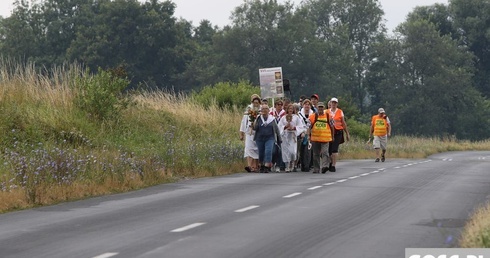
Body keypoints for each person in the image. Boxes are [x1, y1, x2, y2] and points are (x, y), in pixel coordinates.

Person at [278, 104, 306, 172]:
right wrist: (285, 127)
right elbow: (279, 126)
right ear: (287, 109)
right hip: (285, 136)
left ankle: (292, 162)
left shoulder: (296, 117)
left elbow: (301, 126)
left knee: (292, 152)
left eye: (291, 109)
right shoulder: (283, 117)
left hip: (292, 136)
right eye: (289, 109)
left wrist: (294, 128)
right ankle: (287, 166)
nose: (290, 110)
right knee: (286, 152)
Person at [253, 104, 281, 173]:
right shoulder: (258, 118)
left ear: (269, 110)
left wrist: (279, 138)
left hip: (270, 138)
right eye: (263, 109)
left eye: (266, 109)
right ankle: (261, 165)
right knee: (261, 153)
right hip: (260, 138)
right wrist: (253, 122)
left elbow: (276, 129)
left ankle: (267, 165)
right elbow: (255, 128)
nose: (264, 110)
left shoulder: (272, 119)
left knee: (268, 151)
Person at [309, 102, 334, 174]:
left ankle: (324, 167)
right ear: (317, 108)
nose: (320, 108)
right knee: (315, 154)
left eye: (321, 107)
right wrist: (308, 136)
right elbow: (308, 126)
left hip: (325, 138)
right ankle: (316, 169)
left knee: (325, 152)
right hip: (315, 138)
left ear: (324, 108)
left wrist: (332, 136)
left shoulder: (328, 116)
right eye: (319, 107)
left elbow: (332, 126)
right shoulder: (312, 116)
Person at [328, 97, 350, 172]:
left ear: (337, 104)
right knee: (329, 149)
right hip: (329, 133)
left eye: (335, 103)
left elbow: (343, 123)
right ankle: (330, 162)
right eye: (332, 103)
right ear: (330, 103)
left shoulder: (340, 112)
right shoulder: (327, 111)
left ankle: (333, 165)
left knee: (334, 148)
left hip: (338, 132)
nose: (333, 104)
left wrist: (347, 133)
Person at [240, 94, 261, 172]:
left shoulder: (261, 111)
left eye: (257, 102)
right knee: (248, 149)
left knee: (257, 150)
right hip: (249, 133)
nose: (255, 104)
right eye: (254, 102)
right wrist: (241, 133)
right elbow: (243, 122)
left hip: (258, 133)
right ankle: (250, 166)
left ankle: (255, 166)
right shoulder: (248, 111)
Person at [297, 99, 314, 172]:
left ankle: (307, 165)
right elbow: (298, 124)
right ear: (303, 105)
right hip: (301, 133)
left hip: (310, 133)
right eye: (305, 104)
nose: (307, 106)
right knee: (302, 150)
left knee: (308, 150)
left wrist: (309, 132)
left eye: (308, 104)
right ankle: (302, 165)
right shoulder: (299, 114)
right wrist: (302, 132)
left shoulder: (313, 114)